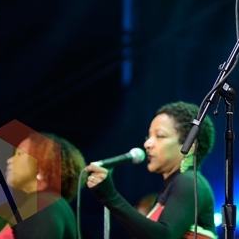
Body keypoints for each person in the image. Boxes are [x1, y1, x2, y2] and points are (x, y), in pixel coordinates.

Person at [85, 101, 217, 239]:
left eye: (160, 136)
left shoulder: (189, 181)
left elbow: (163, 236)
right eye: (148, 137)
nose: (147, 144)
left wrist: (110, 196)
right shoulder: (172, 187)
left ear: (189, 147)